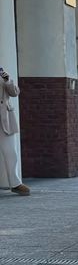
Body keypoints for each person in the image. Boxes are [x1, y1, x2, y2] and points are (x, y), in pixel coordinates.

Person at [0, 67, 29, 195]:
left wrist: (7, 80)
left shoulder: (3, 75)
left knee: (11, 152)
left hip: (4, 118)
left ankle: (15, 184)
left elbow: (15, 92)